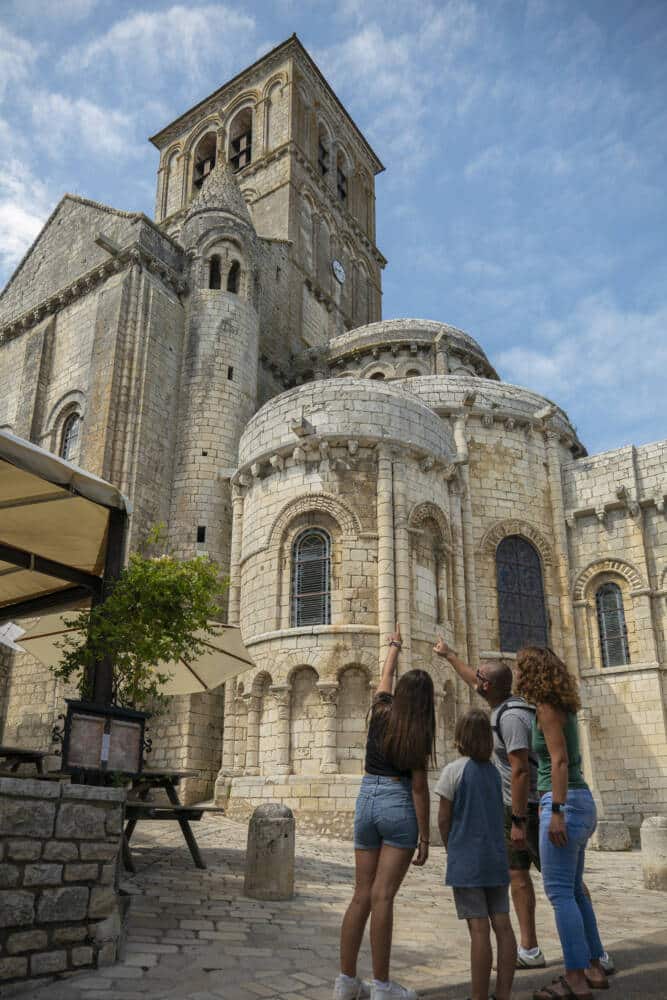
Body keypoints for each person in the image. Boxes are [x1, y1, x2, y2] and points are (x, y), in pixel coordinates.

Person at [433, 638, 614, 977]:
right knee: (518, 876)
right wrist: (449, 656)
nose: (517, 672)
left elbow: (520, 769)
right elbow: (474, 678)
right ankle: (530, 948)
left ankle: (592, 958)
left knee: (564, 887)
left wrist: (520, 818)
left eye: (520, 667)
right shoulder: (507, 704)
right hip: (519, 807)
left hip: (532, 807)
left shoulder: (514, 716)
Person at [335, 626, 435, 1000]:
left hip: (366, 798)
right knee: (383, 897)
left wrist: (393, 647)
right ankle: (381, 987)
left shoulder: (379, 711)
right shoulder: (418, 730)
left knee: (361, 893)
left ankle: (345, 983)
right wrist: (425, 836)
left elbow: (384, 680)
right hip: (397, 802)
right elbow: (419, 788)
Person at [515, 646, 608, 1000]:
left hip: (565, 805)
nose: (517, 674)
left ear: (533, 672)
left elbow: (559, 762)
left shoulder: (546, 708)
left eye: (521, 668)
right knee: (574, 891)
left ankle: (574, 977)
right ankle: (594, 967)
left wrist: (555, 811)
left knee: (559, 894)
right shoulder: (562, 705)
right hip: (581, 802)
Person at [436, 709, 517, 1000]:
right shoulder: (495, 773)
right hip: (496, 857)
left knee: (479, 930)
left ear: (459, 738)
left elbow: (443, 818)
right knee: (503, 925)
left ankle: (479, 996)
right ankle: (504, 993)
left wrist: (451, 847)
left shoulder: (453, 772)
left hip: (467, 861)